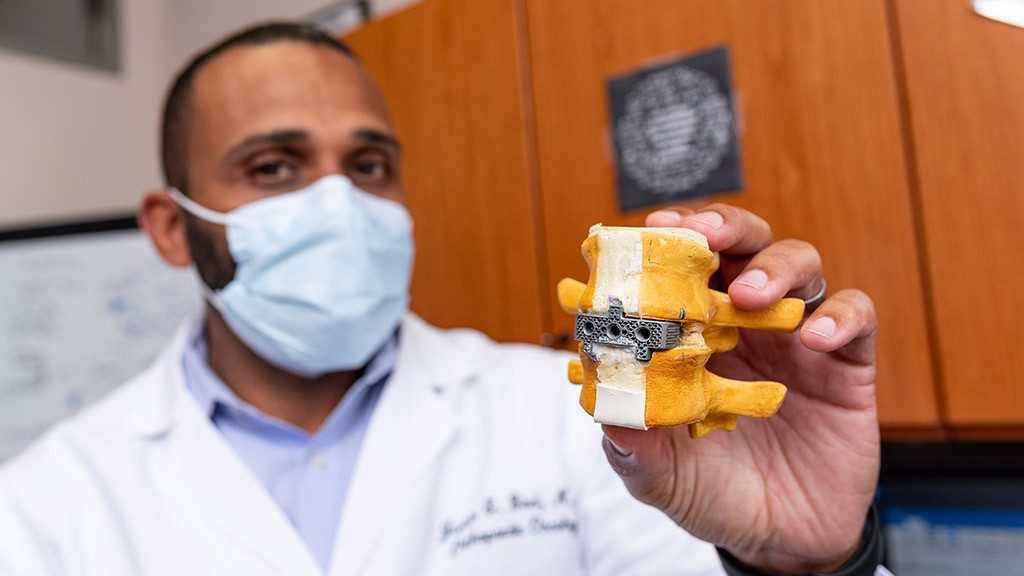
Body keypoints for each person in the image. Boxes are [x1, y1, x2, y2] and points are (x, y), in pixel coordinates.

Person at [0, 23, 888, 576]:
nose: (339, 201)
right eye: (273, 167)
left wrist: (804, 566)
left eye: (369, 165)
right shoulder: (43, 510)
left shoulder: (588, 426)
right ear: (169, 227)